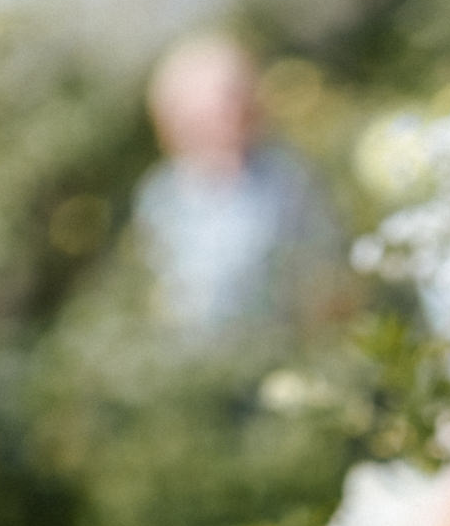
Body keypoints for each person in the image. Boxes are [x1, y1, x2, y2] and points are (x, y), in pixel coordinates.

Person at [134, 32, 340, 340]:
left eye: (234, 98)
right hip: (194, 358)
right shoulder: (159, 195)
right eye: (213, 104)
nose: (227, 114)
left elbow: (324, 267)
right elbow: (155, 285)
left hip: (279, 344)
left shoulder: (288, 177)